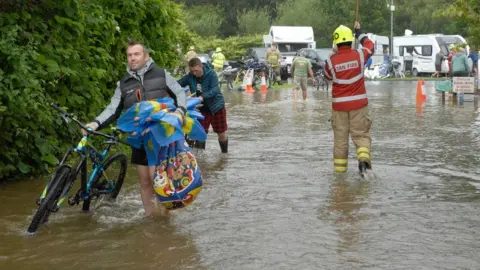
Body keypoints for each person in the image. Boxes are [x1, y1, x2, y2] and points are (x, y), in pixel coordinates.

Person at [82, 40, 187, 216]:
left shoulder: (161, 74)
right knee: (145, 181)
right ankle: (150, 218)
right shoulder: (123, 83)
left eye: (136, 54)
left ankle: (164, 221)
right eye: (129, 55)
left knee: (159, 181)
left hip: (161, 137)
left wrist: (180, 112)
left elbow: (179, 93)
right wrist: (95, 123)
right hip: (139, 139)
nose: (132, 58)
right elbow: (112, 109)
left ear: (146, 56)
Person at [323, 21, 374, 175]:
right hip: (359, 106)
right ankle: (364, 162)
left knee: (340, 141)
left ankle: (340, 179)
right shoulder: (359, 55)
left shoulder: (330, 61)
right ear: (350, 40)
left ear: (336, 43)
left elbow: (327, 77)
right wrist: (360, 33)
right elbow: (370, 46)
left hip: (339, 109)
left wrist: (333, 55)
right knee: (361, 136)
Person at [178, 57, 228, 153]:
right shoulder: (190, 77)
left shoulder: (211, 74)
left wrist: (202, 97)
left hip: (216, 107)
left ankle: (224, 155)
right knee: (200, 134)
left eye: (196, 71)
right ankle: (201, 160)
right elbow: (177, 85)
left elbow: (215, 90)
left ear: (201, 66)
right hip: (201, 109)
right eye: (192, 71)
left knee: (221, 133)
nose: (194, 73)